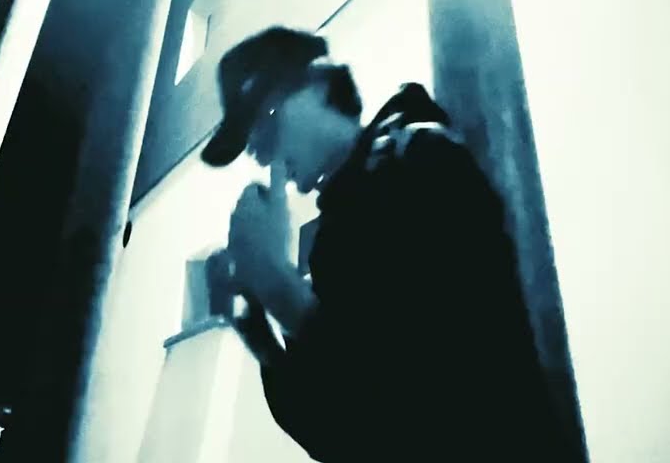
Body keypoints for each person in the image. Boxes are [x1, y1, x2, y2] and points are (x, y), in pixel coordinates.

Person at [202, 26, 571, 462]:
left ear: (319, 84)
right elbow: (339, 435)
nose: (262, 154)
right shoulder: (332, 236)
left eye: (265, 123)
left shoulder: (421, 160)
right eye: (251, 147)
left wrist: (280, 287)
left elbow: (432, 405)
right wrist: (255, 325)